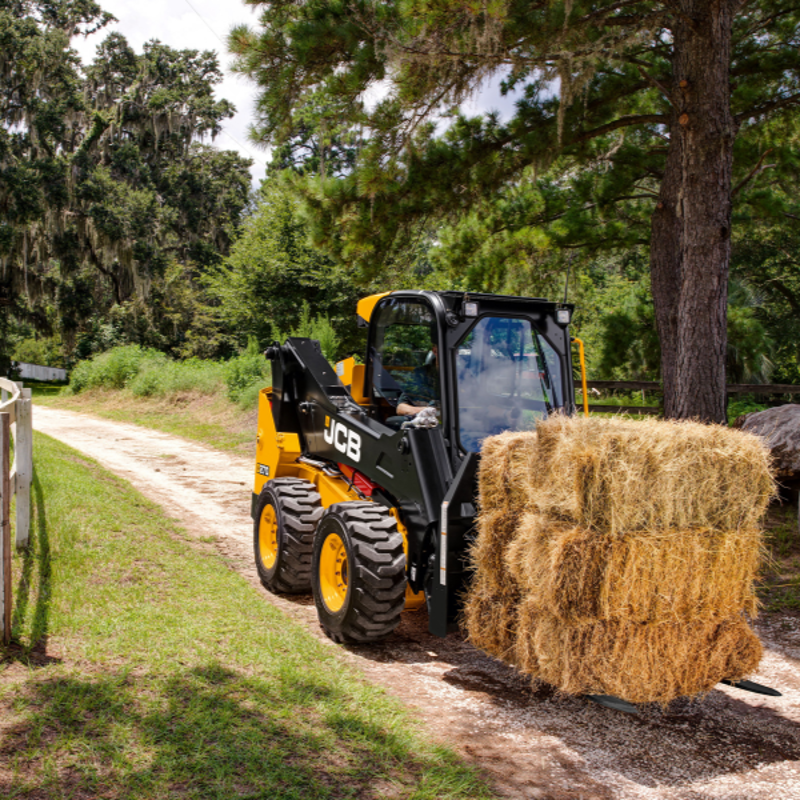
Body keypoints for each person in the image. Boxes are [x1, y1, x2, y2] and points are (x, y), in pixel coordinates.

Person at [396, 344, 440, 417]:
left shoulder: (463, 377)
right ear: (435, 351)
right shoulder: (420, 374)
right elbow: (401, 408)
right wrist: (430, 411)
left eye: (455, 350)